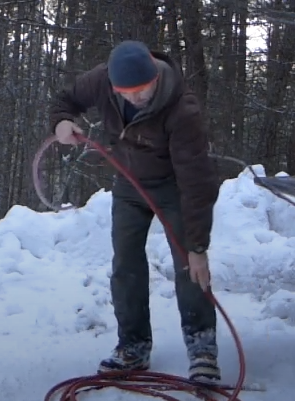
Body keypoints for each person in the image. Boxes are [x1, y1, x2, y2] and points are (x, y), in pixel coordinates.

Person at [47, 39, 222, 383]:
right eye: (126, 93)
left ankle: (202, 349)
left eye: (141, 91)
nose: (134, 99)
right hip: (128, 183)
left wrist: (198, 247)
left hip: (174, 186)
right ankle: (133, 346)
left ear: (155, 77)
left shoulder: (182, 110)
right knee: (125, 264)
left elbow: (197, 184)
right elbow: (63, 100)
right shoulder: (101, 81)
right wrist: (62, 123)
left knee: (190, 267)